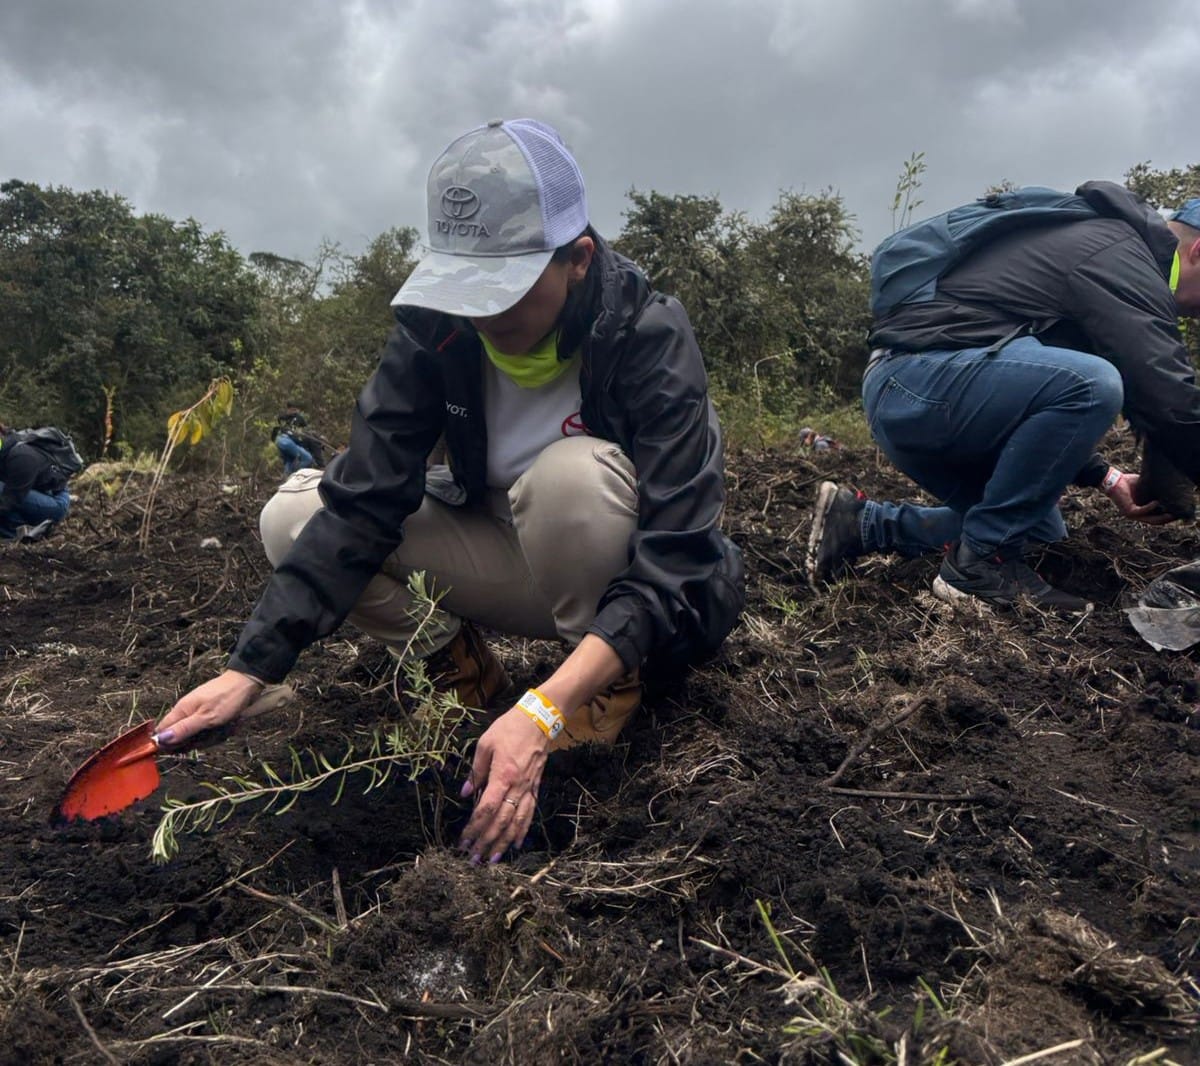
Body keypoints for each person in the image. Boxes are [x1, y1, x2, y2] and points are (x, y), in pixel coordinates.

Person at [156, 118, 745, 865]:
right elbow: (366, 499)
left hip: (621, 584)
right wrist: (251, 666)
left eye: (507, 289)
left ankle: (598, 694)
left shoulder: (646, 334)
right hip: (506, 549)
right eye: (469, 289)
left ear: (577, 260)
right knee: (295, 515)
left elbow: (678, 556)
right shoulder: (438, 330)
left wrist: (544, 708)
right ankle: (465, 678)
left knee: (570, 479)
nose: (486, 315)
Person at [808, 181, 1200, 610]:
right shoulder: (1118, 252)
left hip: (922, 393)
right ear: (1198, 252)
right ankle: (979, 568)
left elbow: (1041, 398)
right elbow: (1166, 398)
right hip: (918, 383)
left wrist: (1107, 478)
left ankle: (864, 524)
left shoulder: (1116, 265)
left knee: (1035, 534)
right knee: (1095, 383)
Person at [0, 424, 72, 543]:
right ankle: (18, 530)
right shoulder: (6, 448)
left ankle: (20, 534)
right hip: (33, 493)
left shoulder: (21, 456)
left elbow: (10, 501)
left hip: (55, 501)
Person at [271, 402, 324, 475]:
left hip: (292, 441)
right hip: (285, 439)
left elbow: (306, 429)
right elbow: (275, 430)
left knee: (289, 460)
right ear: (288, 409)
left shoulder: (299, 418)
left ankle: (287, 474)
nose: (294, 412)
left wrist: (317, 436)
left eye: (295, 410)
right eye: (292, 410)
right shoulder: (282, 417)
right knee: (308, 459)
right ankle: (292, 472)